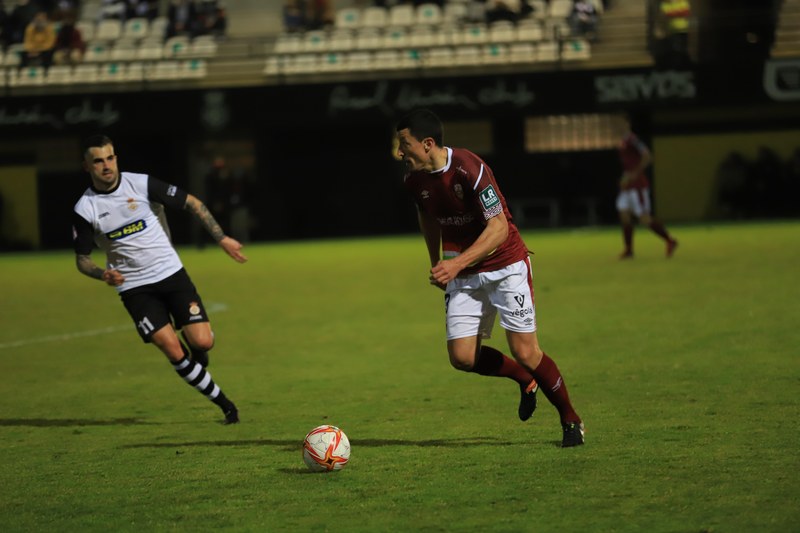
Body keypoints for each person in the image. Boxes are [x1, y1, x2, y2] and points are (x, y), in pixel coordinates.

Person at [396, 109, 585, 447]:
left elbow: (498, 229)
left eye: (404, 144)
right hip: (463, 270)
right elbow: (427, 216)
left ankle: (570, 419)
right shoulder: (414, 180)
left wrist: (455, 265)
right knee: (463, 358)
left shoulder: (469, 168)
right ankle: (524, 380)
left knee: (527, 351)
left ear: (427, 144)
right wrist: (437, 261)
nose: (400, 152)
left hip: (506, 265)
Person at [72, 135, 247, 424]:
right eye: (98, 161)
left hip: (171, 274)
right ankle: (226, 405)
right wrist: (102, 273)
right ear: (86, 166)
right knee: (171, 348)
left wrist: (221, 238)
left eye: (110, 157)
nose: (107, 165)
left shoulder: (141, 184)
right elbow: (82, 259)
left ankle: (198, 350)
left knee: (202, 344)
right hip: (134, 288)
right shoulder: (85, 208)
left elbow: (193, 203)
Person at [615, 116, 678, 259]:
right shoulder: (623, 142)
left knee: (644, 218)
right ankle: (629, 250)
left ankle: (670, 240)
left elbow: (647, 156)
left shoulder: (633, 140)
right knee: (624, 215)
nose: (617, 126)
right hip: (627, 187)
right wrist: (625, 177)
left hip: (637, 186)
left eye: (620, 123)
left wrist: (635, 174)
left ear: (627, 124)